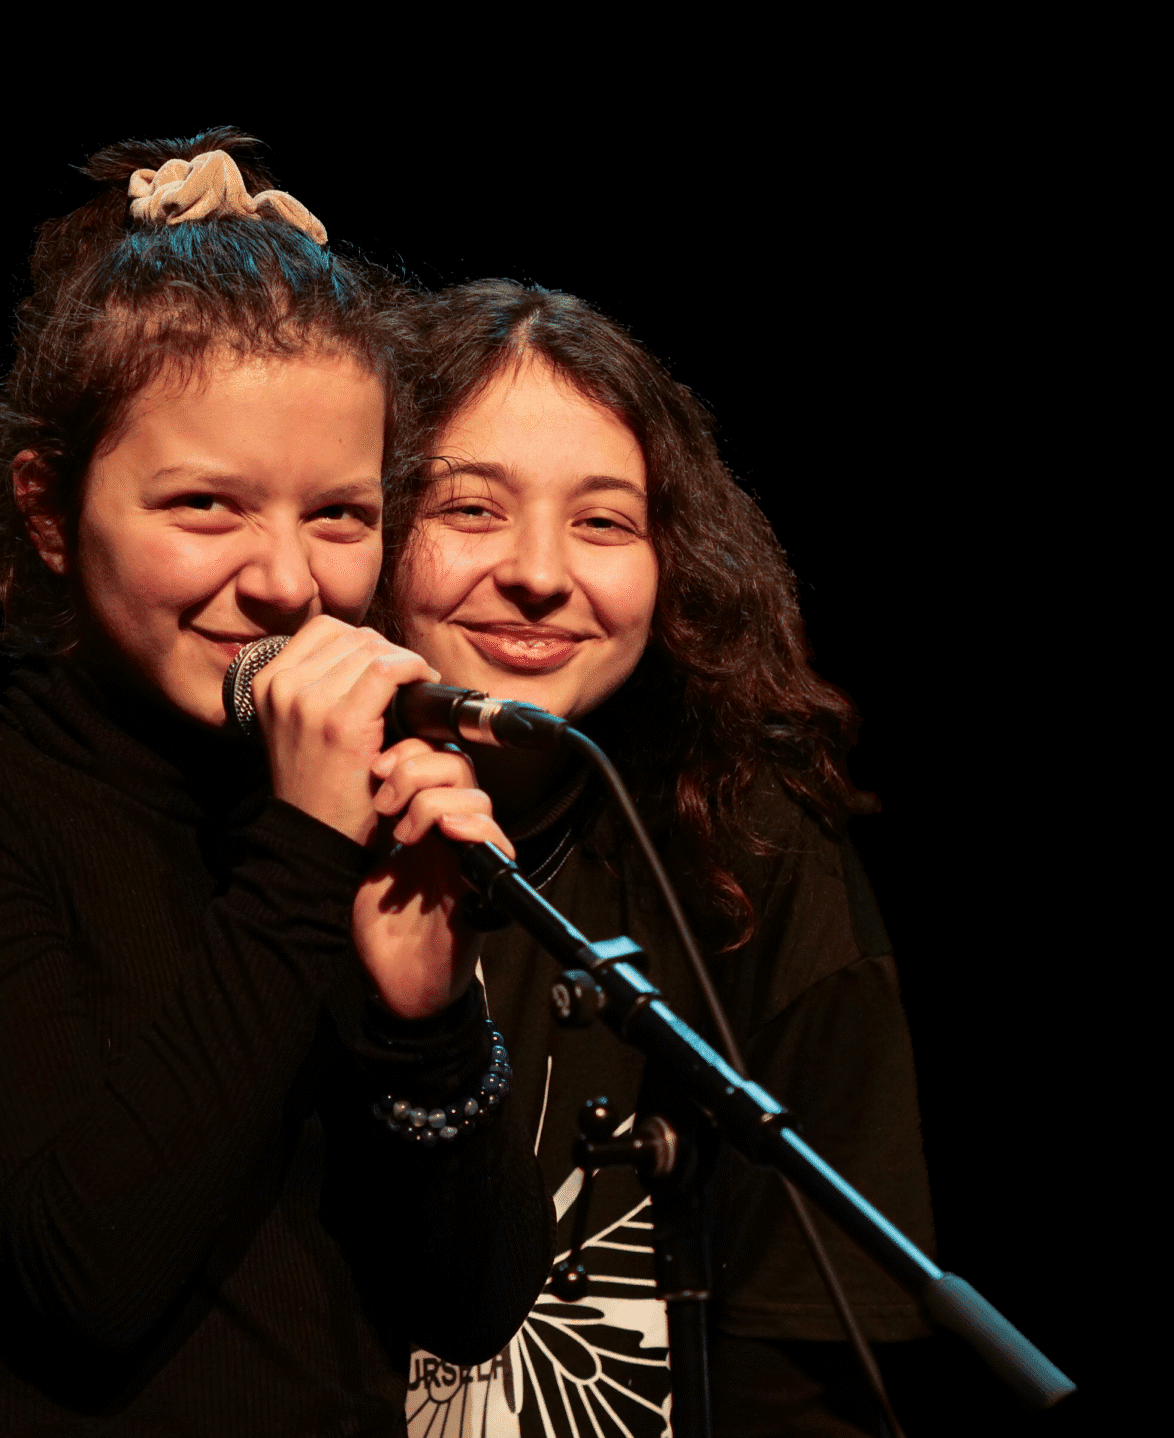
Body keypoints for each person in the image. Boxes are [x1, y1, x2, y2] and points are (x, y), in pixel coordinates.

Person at [0, 133, 547, 1434]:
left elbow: (471, 1307)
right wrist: (305, 849)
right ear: (48, 507)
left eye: (339, 515)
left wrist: (430, 1025)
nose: (285, 580)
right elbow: (87, 1272)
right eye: (206, 506)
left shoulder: (351, 812)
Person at [384, 281, 936, 1438]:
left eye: (603, 522)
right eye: (471, 508)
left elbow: (805, 1365)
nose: (540, 571)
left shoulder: (749, 852)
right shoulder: (267, 836)